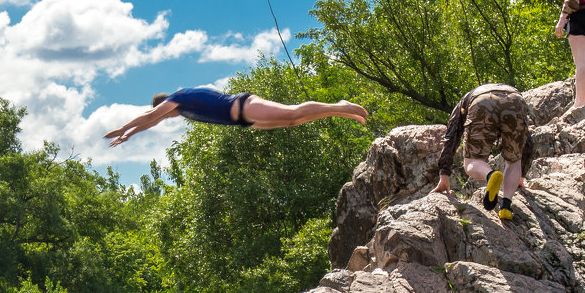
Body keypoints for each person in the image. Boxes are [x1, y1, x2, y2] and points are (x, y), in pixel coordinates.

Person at [103, 87, 368, 146]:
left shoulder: (177, 98)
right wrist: (129, 133)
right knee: (293, 120)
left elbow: (150, 117)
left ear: (165, 105)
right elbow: (152, 120)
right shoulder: (180, 107)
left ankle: (340, 105)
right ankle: (339, 111)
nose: (166, 118)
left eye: (165, 115)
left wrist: (124, 129)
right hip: (245, 120)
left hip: (244, 107)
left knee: (293, 112)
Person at [431, 83, 534, 222]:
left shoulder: (464, 100)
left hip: (482, 101)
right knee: (514, 161)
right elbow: (527, 142)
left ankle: (490, 175)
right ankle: (505, 206)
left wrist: (444, 175)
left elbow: (451, 135)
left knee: (472, 162)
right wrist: (520, 177)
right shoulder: (509, 92)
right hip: (515, 100)